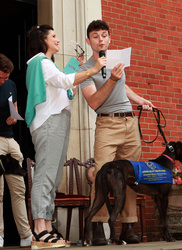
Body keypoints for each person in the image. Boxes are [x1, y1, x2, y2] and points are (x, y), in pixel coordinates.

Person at [25, 24, 106, 249]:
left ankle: (47, 227)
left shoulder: (48, 65)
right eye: (54, 36)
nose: (58, 40)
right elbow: (63, 81)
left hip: (57, 121)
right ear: (42, 40)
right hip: (49, 122)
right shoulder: (39, 62)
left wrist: (76, 68)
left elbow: (64, 85)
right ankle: (40, 229)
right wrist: (93, 69)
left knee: (52, 175)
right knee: (45, 174)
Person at [79, 20, 155, 246]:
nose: (101, 39)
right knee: (102, 175)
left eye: (104, 35)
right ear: (88, 41)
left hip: (130, 123)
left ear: (110, 38)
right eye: (95, 36)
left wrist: (140, 99)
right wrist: (111, 78)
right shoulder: (83, 69)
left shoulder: (116, 60)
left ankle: (128, 227)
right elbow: (94, 101)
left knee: (131, 176)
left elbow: (123, 86)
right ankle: (99, 228)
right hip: (107, 125)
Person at [0, 53, 33, 248]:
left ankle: (26, 235)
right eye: (1, 77)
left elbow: (14, 106)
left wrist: (14, 116)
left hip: (10, 140)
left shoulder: (10, 84)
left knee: (19, 191)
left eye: (6, 77)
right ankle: (0, 236)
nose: (4, 81)